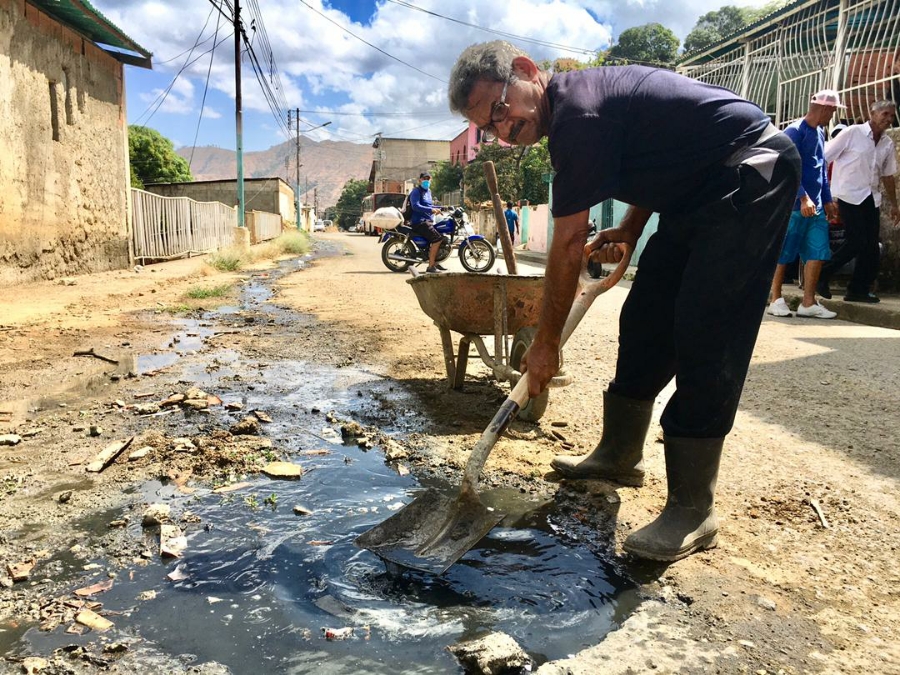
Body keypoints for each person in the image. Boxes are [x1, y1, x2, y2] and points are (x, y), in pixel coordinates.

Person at [449, 41, 800, 562]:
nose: (504, 131)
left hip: (753, 170)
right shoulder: (582, 111)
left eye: (500, 110)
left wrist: (545, 344)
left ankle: (692, 507)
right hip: (698, 186)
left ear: (525, 71)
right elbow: (663, 156)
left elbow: (566, 248)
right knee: (645, 317)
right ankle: (619, 453)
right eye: (490, 127)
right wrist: (634, 226)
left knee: (707, 326)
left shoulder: (580, 114)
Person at [767, 90, 842, 319]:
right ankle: (775, 299)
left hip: (816, 206)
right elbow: (786, 167)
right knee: (784, 251)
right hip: (793, 205)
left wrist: (827, 200)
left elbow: (821, 168)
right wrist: (802, 197)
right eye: (833, 110)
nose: (833, 115)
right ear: (825, 108)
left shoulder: (820, 132)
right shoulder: (794, 131)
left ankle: (808, 303)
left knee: (818, 252)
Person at [818, 100, 900, 303]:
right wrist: (825, 194)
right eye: (885, 114)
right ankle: (823, 273)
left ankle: (858, 289)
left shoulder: (887, 144)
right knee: (856, 241)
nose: (888, 119)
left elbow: (888, 176)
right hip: (847, 195)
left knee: (871, 247)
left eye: (892, 115)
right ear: (872, 114)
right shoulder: (852, 133)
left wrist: (895, 205)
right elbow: (824, 158)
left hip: (871, 198)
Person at [408, 172, 444, 273]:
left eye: (428, 179)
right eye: (424, 179)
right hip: (419, 222)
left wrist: (443, 208)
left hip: (429, 221)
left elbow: (430, 206)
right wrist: (431, 210)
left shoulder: (429, 192)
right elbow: (415, 206)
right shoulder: (416, 191)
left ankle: (436, 261)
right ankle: (431, 266)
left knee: (442, 235)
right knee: (437, 239)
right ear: (420, 180)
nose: (427, 181)